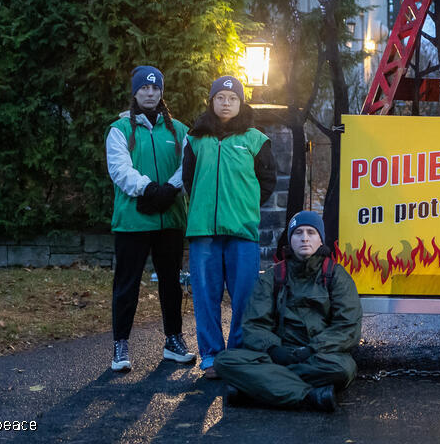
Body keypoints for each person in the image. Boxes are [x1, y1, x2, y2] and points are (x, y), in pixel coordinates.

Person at [215, 211, 362, 411]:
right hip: (277, 355)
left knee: (343, 369)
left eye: (311, 232)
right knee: (224, 361)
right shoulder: (272, 276)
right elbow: (254, 325)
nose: (304, 238)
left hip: (319, 356)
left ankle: (257, 387)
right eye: (298, 233)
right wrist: (275, 350)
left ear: (320, 240)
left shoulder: (336, 276)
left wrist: (311, 349)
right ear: (290, 239)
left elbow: (347, 327)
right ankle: (310, 396)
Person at [183, 75, 277, 378]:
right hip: (203, 232)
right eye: (220, 98)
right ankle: (211, 356)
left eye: (232, 98)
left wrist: (244, 205)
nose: (226, 103)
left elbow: (268, 181)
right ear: (212, 101)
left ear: (241, 102)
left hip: (242, 231)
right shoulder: (195, 139)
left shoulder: (256, 139)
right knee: (205, 297)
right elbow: (189, 180)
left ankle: (236, 355)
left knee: (244, 298)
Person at [105, 65, 196, 372]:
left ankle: (173, 340)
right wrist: (148, 189)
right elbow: (120, 169)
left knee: (171, 283)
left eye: (155, 88)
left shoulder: (179, 130)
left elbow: (187, 165)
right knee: (126, 284)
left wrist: (170, 188)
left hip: (170, 220)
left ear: (161, 93)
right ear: (135, 92)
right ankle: (120, 345)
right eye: (144, 87)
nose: (150, 93)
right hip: (133, 220)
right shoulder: (119, 129)